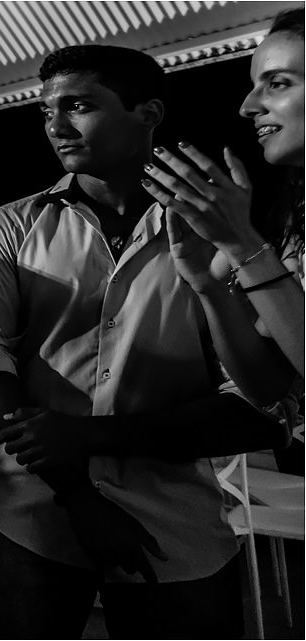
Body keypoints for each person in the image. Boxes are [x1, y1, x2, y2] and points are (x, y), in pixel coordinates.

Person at [0, 45, 291, 639]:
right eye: (45, 111)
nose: (55, 127)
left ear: (148, 111)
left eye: (78, 106)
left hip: (176, 520)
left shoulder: (216, 229)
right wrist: (77, 492)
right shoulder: (13, 225)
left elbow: (261, 405)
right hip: (34, 512)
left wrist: (89, 436)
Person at [141, 7, 304, 380]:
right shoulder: (298, 217)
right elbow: (270, 384)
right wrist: (208, 286)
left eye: (277, 82)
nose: (248, 106)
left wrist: (244, 246)